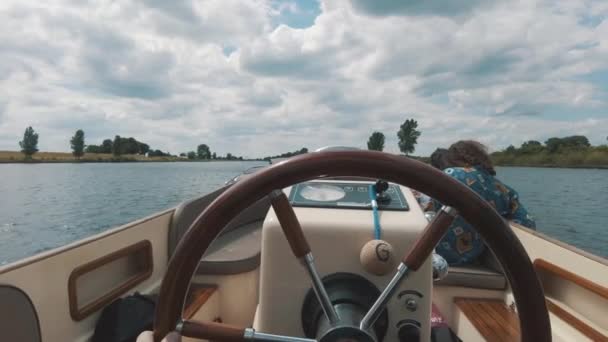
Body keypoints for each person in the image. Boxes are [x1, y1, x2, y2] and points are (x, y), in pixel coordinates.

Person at [431, 140, 536, 266]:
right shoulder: (504, 189)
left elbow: (429, 205)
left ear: (455, 158)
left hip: (439, 255)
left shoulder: (452, 174)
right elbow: (528, 223)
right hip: (472, 258)